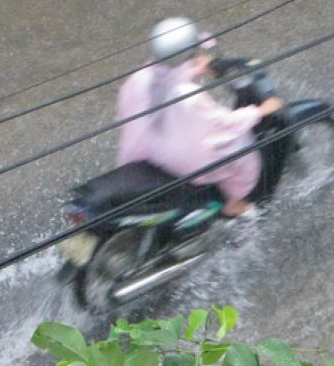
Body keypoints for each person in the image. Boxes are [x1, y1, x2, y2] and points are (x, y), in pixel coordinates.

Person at [115, 17, 284, 220]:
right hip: (179, 161)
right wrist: (260, 111)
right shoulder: (189, 95)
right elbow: (223, 123)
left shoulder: (139, 78)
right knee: (243, 148)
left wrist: (195, 68)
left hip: (141, 150)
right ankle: (235, 203)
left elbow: (164, 80)